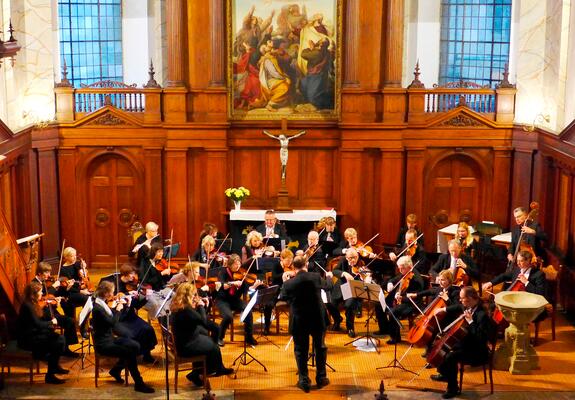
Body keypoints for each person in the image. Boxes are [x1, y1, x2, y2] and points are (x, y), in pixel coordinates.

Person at [430, 286, 495, 399]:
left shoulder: (481, 315)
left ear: (469, 298)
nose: (460, 300)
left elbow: (481, 338)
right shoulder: (468, 307)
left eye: (462, 298)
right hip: (468, 344)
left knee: (450, 356)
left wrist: (470, 321)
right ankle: (446, 374)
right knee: (444, 348)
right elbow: (456, 307)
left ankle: (453, 388)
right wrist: (442, 309)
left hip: (478, 351)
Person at [91, 281, 154, 393]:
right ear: (106, 293)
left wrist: (122, 306)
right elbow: (113, 322)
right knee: (129, 352)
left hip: (110, 339)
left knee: (135, 345)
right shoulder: (97, 308)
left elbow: (110, 316)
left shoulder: (101, 303)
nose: (113, 294)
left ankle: (116, 370)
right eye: (112, 292)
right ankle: (138, 383)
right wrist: (118, 309)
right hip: (104, 344)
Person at [280, 255, 330, 393]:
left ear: (293, 267)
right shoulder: (315, 277)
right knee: (320, 347)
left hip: (299, 320)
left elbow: (283, 297)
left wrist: (285, 281)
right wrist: (330, 276)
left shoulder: (289, 283)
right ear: (306, 265)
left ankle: (304, 381)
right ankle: (321, 378)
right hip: (317, 318)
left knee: (301, 350)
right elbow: (328, 286)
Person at [170, 283, 233, 387]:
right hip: (186, 346)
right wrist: (201, 306)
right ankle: (206, 371)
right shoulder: (187, 310)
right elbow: (203, 321)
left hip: (184, 339)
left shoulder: (180, 305)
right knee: (214, 346)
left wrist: (202, 306)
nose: (196, 297)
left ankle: (198, 372)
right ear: (188, 296)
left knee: (207, 336)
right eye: (194, 295)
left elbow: (197, 319)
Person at [99, 264, 158, 364]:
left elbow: (136, 306)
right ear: (125, 274)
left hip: (130, 316)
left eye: (134, 273)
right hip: (118, 319)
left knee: (147, 329)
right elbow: (109, 304)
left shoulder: (133, 285)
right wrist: (126, 296)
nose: (134, 276)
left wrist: (145, 298)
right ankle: (132, 356)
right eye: (131, 274)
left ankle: (146, 355)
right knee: (130, 334)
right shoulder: (114, 285)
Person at [17, 282, 68, 384]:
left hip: (35, 333)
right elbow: (37, 324)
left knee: (60, 339)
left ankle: (54, 366)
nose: (42, 293)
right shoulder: (27, 306)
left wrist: (50, 315)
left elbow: (40, 318)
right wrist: (51, 322)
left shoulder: (33, 303)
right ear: (33, 293)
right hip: (28, 339)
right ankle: (50, 374)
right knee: (58, 342)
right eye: (40, 292)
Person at [482, 250, 548, 322]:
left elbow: (540, 293)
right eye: (517, 260)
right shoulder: (517, 270)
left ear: (528, 260)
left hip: (529, 307)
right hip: (514, 303)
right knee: (491, 307)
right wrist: (490, 283)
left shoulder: (539, 274)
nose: (518, 263)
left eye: (521, 261)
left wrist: (526, 282)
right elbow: (504, 276)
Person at [214, 254, 263, 347]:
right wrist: (233, 283)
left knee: (248, 310)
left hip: (234, 300)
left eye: (239, 263)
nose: (238, 266)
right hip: (222, 300)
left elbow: (247, 290)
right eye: (235, 264)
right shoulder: (223, 272)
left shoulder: (241, 274)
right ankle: (219, 337)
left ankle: (249, 337)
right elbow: (222, 285)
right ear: (230, 264)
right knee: (228, 317)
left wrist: (255, 286)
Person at [32, 262, 79, 357]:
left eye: (49, 272)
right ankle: (62, 349)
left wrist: (56, 301)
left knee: (70, 321)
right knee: (67, 321)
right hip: (43, 314)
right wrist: (53, 287)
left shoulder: (44, 282)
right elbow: (41, 301)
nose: (49, 275)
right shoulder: (34, 284)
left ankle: (66, 348)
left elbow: (50, 297)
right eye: (47, 273)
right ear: (40, 273)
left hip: (50, 310)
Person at [375, 256, 425, 344]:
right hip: (401, 298)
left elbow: (416, 297)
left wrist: (402, 297)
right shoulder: (405, 272)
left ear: (409, 267)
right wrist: (390, 283)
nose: (400, 270)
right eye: (399, 268)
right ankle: (384, 329)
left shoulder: (417, 280)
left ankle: (395, 338)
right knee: (379, 305)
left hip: (411, 303)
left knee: (393, 312)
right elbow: (396, 278)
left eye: (402, 268)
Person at [327, 248, 365, 338]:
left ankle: (350, 328)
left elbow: (365, 279)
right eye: (350, 258)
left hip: (353, 288)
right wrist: (344, 273)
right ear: (346, 257)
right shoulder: (343, 260)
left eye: (354, 257)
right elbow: (335, 271)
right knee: (330, 303)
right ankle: (337, 319)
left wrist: (363, 276)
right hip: (341, 286)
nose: (352, 260)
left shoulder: (361, 263)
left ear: (358, 256)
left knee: (349, 305)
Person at [58, 247, 90, 334]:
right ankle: (82, 326)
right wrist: (81, 291)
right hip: (69, 294)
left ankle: (83, 324)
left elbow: (84, 277)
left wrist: (84, 268)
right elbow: (67, 288)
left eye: (75, 255)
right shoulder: (63, 270)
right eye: (72, 256)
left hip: (81, 289)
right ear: (66, 257)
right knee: (87, 299)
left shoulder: (78, 264)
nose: (75, 257)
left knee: (92, 300)